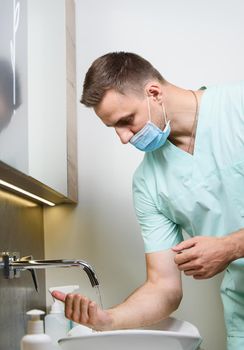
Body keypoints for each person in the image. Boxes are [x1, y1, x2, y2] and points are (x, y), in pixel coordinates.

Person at [52, 52, 244, 350]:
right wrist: (107, 320)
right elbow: (164, 287)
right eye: (113, 128)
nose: (124, 138)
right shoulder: (148, 182)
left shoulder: (238, 107)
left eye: (127, 121)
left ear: (154, 93)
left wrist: (231, 246)